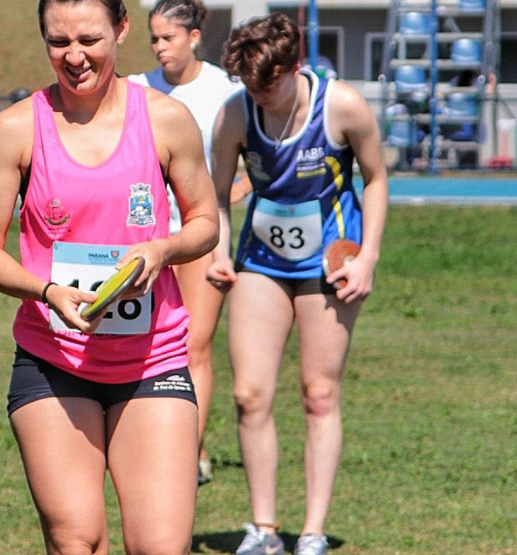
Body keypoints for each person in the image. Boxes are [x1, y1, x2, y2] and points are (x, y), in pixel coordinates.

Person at [0, 0, 219, 553]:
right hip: (54, 362)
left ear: (122, 29)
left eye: (89, 39)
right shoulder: (14, 130)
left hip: (152, 360)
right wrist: (46, 291)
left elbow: (205, 223)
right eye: (59, 42)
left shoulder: (164, 118)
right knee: (76, 540)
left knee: (159, 547)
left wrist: (163, 248)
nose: (74, 56)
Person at [205, 13, 388, 555]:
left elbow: (376, 180)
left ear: (293, 67)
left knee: (319, 393)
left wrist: (368, 259)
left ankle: (311, 532)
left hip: (329, 264)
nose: (258, 97)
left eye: (267, 86)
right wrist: (218, 249)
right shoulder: (237, 112)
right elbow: (216, 195)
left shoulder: (343, 106)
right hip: (262, 261)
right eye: (249, 88)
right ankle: (263, 530)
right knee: (249, 394)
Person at [128, 0, 244, 486]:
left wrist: (234, 191)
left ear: (194, 38)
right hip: (144, 239)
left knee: (194, 348)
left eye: (167, 38)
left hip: (198, 239)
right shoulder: (134, 90)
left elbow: (250, 157)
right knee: (144, 347)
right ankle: (143, 440)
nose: (158, 48)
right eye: (153, 39)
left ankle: (189, 453)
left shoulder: (224, 92)